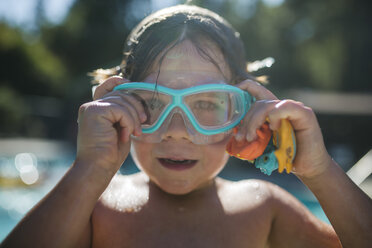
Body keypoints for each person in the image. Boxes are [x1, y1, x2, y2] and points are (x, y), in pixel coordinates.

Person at [2, 4, 371, 248]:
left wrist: (320, 171)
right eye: (153, 103)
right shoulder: (93, 208)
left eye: (207, 105)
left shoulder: (265, 211)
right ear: (115, 104)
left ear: (245, 113)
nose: (177, 130)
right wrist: (88, 170)